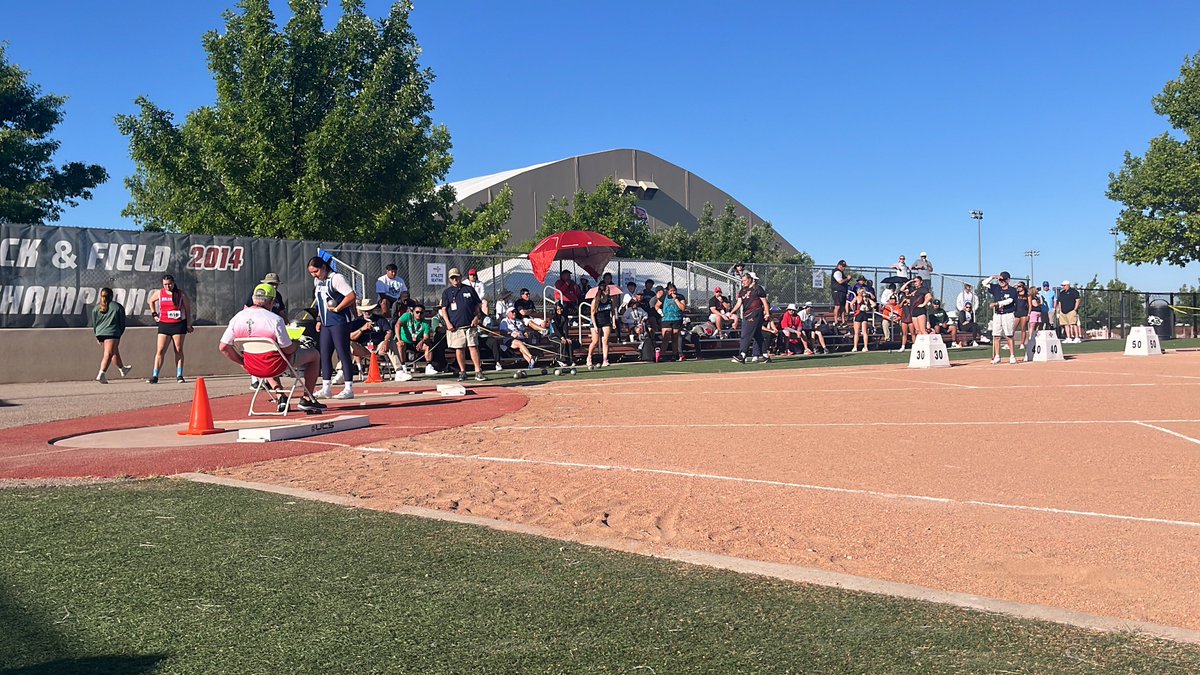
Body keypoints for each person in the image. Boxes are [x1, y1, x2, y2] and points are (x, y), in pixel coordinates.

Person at [218, 283, 325, 414]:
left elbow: (223, 347)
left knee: (264, 356)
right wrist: (297, 343)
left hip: (253, 366)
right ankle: (307, 398)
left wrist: (243, 362)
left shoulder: (237, 318)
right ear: (272, 302)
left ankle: (280, 396)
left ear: (253, 298)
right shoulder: (275, 320)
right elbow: (288, 350)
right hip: (276, 365)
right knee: (314, 355)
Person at [308, 255, 358, 399]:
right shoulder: (318, 281)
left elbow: (351, 295)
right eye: (311, 273)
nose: (314, 275)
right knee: (324, 354)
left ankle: (348, 388)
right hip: (325, 323)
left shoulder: (336, 278)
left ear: (323, 267)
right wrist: (319, 319)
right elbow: (320, 302)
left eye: (316, 271)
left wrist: (338, 308)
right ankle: (326, 388)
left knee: (343, 353)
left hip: (339, 321)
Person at [440, 267, 487, 382]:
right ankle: (462, 372)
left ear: (460, 277)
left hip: (470, 325)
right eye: (452, 278)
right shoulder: (447, 292)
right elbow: (444, 309)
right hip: (456, 327)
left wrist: (476, 318)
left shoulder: (469, 289)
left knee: (473, 347)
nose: (455, 279)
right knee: (459, 348)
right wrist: (448, 323)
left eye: (456, 277)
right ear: (450, 279)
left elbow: (478, 306)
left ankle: (478, 371)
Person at [145, 273, 193, 384]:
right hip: (164, 324)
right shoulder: (160, 293)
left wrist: (188, 324)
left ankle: (179, 375)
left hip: (178, 324)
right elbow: (151, 301)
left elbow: (187, 310)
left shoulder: (181, 294)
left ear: (174, 283)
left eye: (169, 284)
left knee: (178, 349)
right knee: (160, 350)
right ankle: (155, 375)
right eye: (165, 284)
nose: (167, 286)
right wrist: (154, 314)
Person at [345, 299, 401, 381]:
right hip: (364, 349)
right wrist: (362, 329)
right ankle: (342, 372)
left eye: (369, 310)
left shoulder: (380, 319)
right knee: (347, 344)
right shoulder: (357, 322)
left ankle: (399, 371)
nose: (367, 312)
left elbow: (389, 332)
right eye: (365, 310)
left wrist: (386, 341)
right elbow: (351, 337)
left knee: (391, 342)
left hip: (378, 347)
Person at [92, 287, 132, 383]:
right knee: (108, 354)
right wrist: (119, 333)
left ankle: (122, 369)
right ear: (111, 296)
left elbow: (94, 323)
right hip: (112, 333)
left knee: (114, 351)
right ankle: (101, 374)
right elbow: (122, 323)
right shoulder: (117, 307)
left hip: (100, 333)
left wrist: (97, 335)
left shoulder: (96, 308)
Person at [730, 271, 769, 363]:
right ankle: (765, 356)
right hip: (746, 314)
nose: (743, 282)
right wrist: (732, 311)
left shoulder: (757, 289)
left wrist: (767, 313)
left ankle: (742, 355)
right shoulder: (742, 290)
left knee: (745, 335)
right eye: (742, 280)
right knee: (757, 335)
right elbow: (739, 303)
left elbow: (764, 302)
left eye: (744, 280)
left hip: (755, 313)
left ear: (750, 279)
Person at [982, 271, 1019, 364]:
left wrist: (997, 304)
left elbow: (1010, 300)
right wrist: (993, 277)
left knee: (1009, 335)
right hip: (998, 315)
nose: (1001, 282)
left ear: (1008, 280)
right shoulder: (996, 288)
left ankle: (1012, 356)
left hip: (1008, 314)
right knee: (996, 336)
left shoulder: (1012, 290)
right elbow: (984, 283)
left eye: (1003, 280)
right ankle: (997, 356)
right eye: (1000, 280)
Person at [396, 303, 436, 373]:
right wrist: (399, 339)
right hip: (404, 340)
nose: (419, 314)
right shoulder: (407, 316)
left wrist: (422, 342)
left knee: (428, 345)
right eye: (417, 312)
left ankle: (429, 366)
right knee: (400, 345)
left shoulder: (425, 323)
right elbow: (397, 325)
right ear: (413, 312)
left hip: (416, 342)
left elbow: (426, 337)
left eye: (421, 313)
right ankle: (403, 366)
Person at [586, 282, 617, 368]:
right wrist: (595, 326)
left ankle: (605, 359)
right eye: (607, 290)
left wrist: (613, 321)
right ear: (603, 291)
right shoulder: (595, 300)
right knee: (595, 341)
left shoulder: (610, 300)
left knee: (605, 340)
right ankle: (589, 357)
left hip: (606, 321)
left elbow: (612, 311)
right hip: (596, 321)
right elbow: (592, 314)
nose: (609, 291)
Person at [657, 283, 687, 362]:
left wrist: (676, 299)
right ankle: (662, 355)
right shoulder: (663, 297)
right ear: (668, 291)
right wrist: (660, 312)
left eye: (674, 290)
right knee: (666, 337)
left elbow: (683, 308)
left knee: (675, 337)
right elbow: (657, 305)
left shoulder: (680, 297)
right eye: (671, 291)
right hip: (666, 319)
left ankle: (674, 354)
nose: (673, 292)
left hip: (677, 319)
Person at [850, 287, 873, 352]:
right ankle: (865, 347)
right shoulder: (867, 299)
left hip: (858, 314)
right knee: (865, 332)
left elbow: (851, 304)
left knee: (856, 332)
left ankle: (855, 347)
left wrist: (854, 310)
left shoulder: (857, 297)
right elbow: (874, 304)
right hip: (865, 314)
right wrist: (868, 308)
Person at [831, 260, 851, 326]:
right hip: (837, 291)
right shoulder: (837, 272)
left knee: (842, 306)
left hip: (842, 292)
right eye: (843, 266)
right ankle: (836, 321)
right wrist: (847, 278)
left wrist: (848, 279)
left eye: (844, 266)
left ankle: (843, 321)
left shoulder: (841, 273)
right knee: (838, 306)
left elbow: (845, 282)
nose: (844, 268)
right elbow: (840, 281)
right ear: (839, 266)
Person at [1013, 281, 1030, 350]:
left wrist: (1029, 314)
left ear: (1023, 287)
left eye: (1020, 286)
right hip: (1017, 312)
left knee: (1023, 328)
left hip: (1024, 313)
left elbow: (1030, 305)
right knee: (1012, 328)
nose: (1018, 288)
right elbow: (1010, 289)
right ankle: (1010, 343)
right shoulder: (1016, 293)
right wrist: (1015, 285)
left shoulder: (1027, 294)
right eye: (1018, 287)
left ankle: (1022, 343)